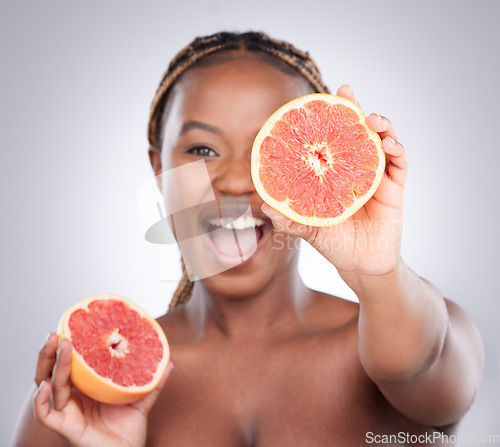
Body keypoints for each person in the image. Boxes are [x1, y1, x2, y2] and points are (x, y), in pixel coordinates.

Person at [12, 31, 484, 447]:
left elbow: (422, 364)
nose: (237, 181)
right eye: (202, 149)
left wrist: (376, 272)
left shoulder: (406, 343)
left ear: (319, 164)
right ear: (159, 169)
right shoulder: (88, 389)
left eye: (268, 148)